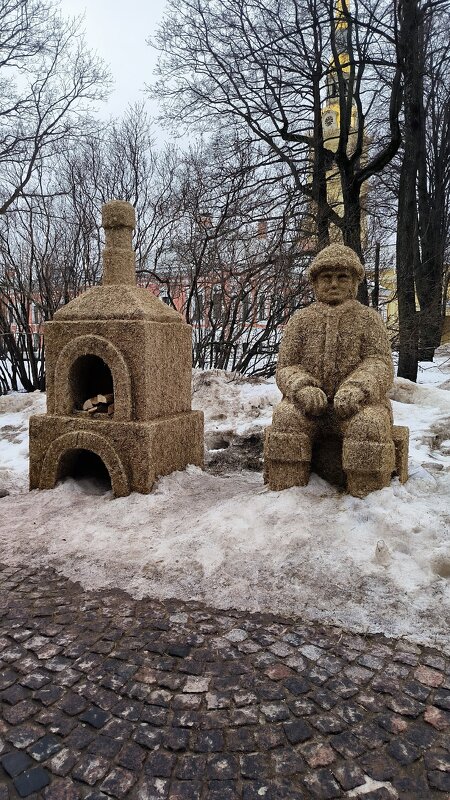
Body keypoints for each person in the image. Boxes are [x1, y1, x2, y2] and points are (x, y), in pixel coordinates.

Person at [265, 243, 396, 497]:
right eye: (326, 277)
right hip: (309, 407)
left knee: (368, 426)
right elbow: (286, 366)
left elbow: (379, 362)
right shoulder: (301, 320)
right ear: (315, 283)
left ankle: (366, 503)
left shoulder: (368, 319)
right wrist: (302, 387)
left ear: (354, 282)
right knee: (286, 420)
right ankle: (286, 500)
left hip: (358, 406)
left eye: (342, 277)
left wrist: (358, 387)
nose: (333, 284)